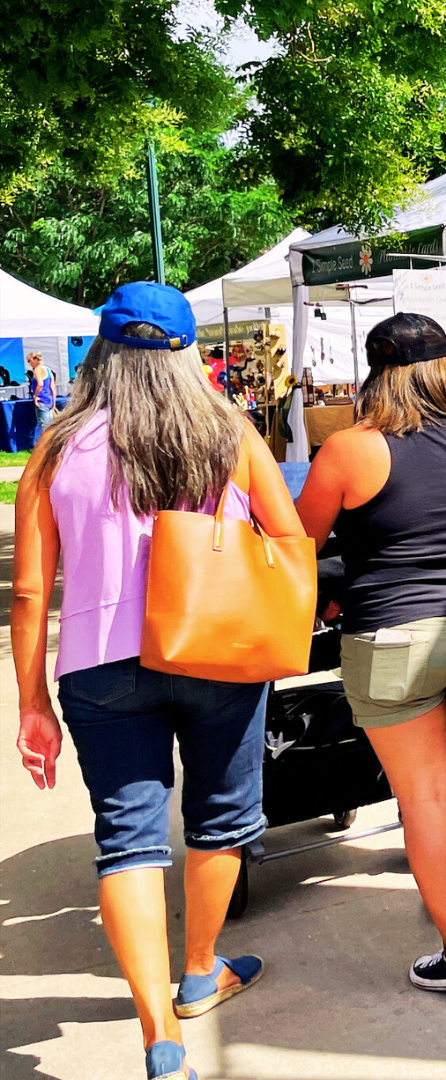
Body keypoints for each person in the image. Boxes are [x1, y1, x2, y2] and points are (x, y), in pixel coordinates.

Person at [11, 283, 297, 1080]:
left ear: (101, 351)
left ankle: (159, 1039)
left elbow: (32, 590)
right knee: (220, 820)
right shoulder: (229, 431)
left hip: (99, 664)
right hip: (217, 648)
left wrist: (31, 700)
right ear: (187, 352)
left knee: (128, 844)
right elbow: (289, 535)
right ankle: (201, 970)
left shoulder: (56, 445)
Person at [296, 313, 446, 993]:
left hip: (392, 631)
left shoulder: (348, 450)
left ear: (375, 376)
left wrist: (332, 593)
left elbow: (299, 548)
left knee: (421, 791)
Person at [27, 350, 57, 442]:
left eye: (29, 361)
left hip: (42, 399)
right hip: (49, 400)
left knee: (43, 426)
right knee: (50, 425)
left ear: (35, 360)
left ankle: (42, 447)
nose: (29, 363)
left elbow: (40, 384)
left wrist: (35, 396)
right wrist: (54, 401)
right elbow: (52, 387)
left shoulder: (37, 370)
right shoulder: (48, 370)